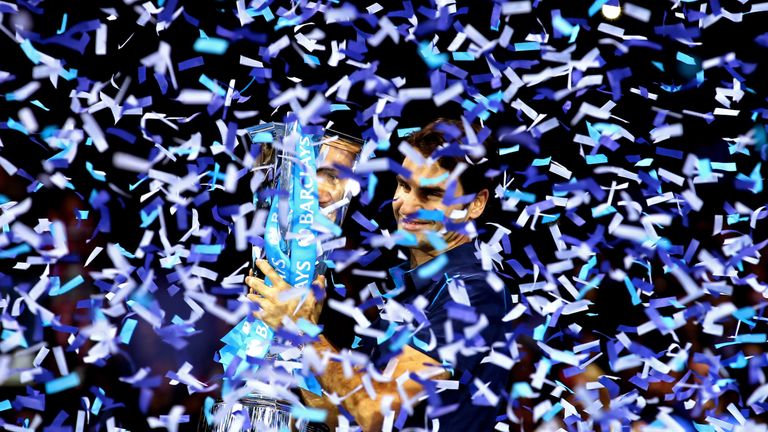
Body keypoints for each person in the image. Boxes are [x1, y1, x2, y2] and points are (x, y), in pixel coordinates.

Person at [246, 119, 511, 431]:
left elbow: (378, 413)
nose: (408, 206)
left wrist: (303, 335)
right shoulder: (410, 290)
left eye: (430, 194)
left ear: (475, 204)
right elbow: (344, 415)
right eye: (404, 186)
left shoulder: (474, 291)